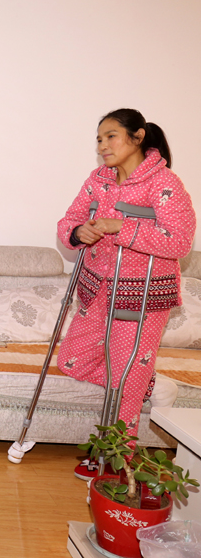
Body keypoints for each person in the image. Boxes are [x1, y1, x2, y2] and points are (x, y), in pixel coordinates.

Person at [57, 109, 196, 480]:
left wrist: (121, 226)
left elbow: (179, 241)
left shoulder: (164, 183)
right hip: (98, 289)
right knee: (71, 359)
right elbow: (69, 220)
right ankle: (152, 382)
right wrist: (79, 232)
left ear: (137, 137)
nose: (102, 146)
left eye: (111, 136)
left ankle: (117, 457)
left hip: (143, 295)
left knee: (127, 377)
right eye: (99, 139)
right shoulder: (98, 180)